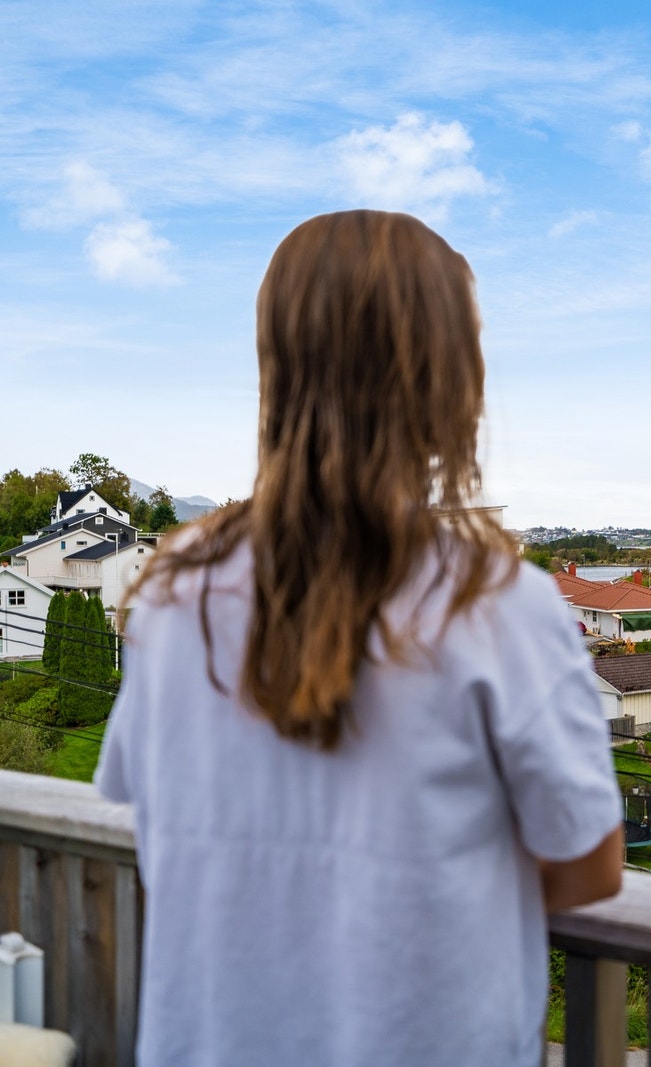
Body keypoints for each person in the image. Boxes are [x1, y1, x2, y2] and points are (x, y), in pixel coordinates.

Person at [95, 210, 623, 1066]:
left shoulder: (175, 589)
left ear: (277, 366)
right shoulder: (494, 605)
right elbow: (587, 866)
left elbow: (149, 809)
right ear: (450, 382)